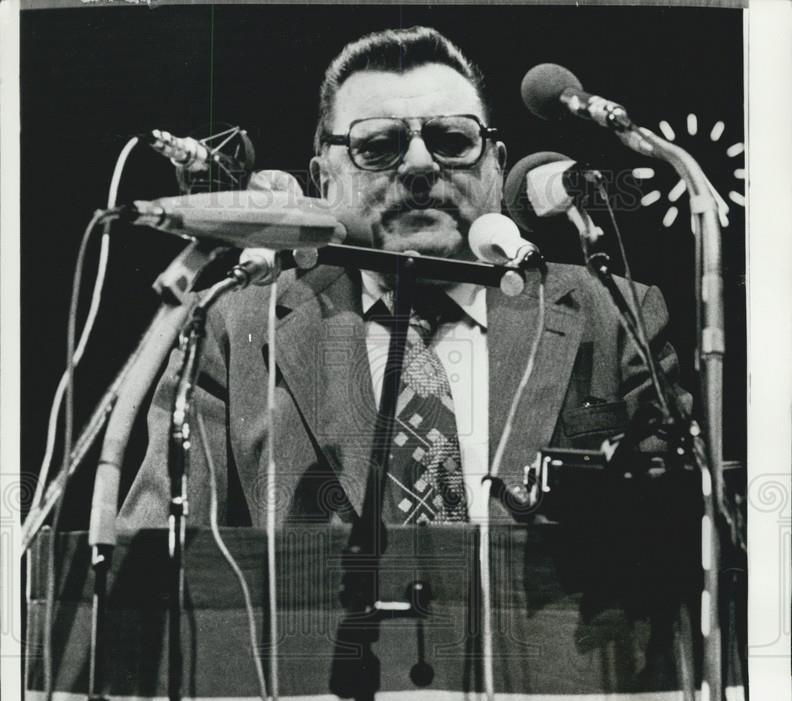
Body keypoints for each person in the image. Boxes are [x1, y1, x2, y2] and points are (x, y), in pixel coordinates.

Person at [118, 25, 680, 532]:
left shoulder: (613, 315)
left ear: (495, 164)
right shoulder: (232, 327)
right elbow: (146, 571)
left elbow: (682, 545)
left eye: (452, 141)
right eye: (378, 146)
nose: (418, 166)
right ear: (324, 179)